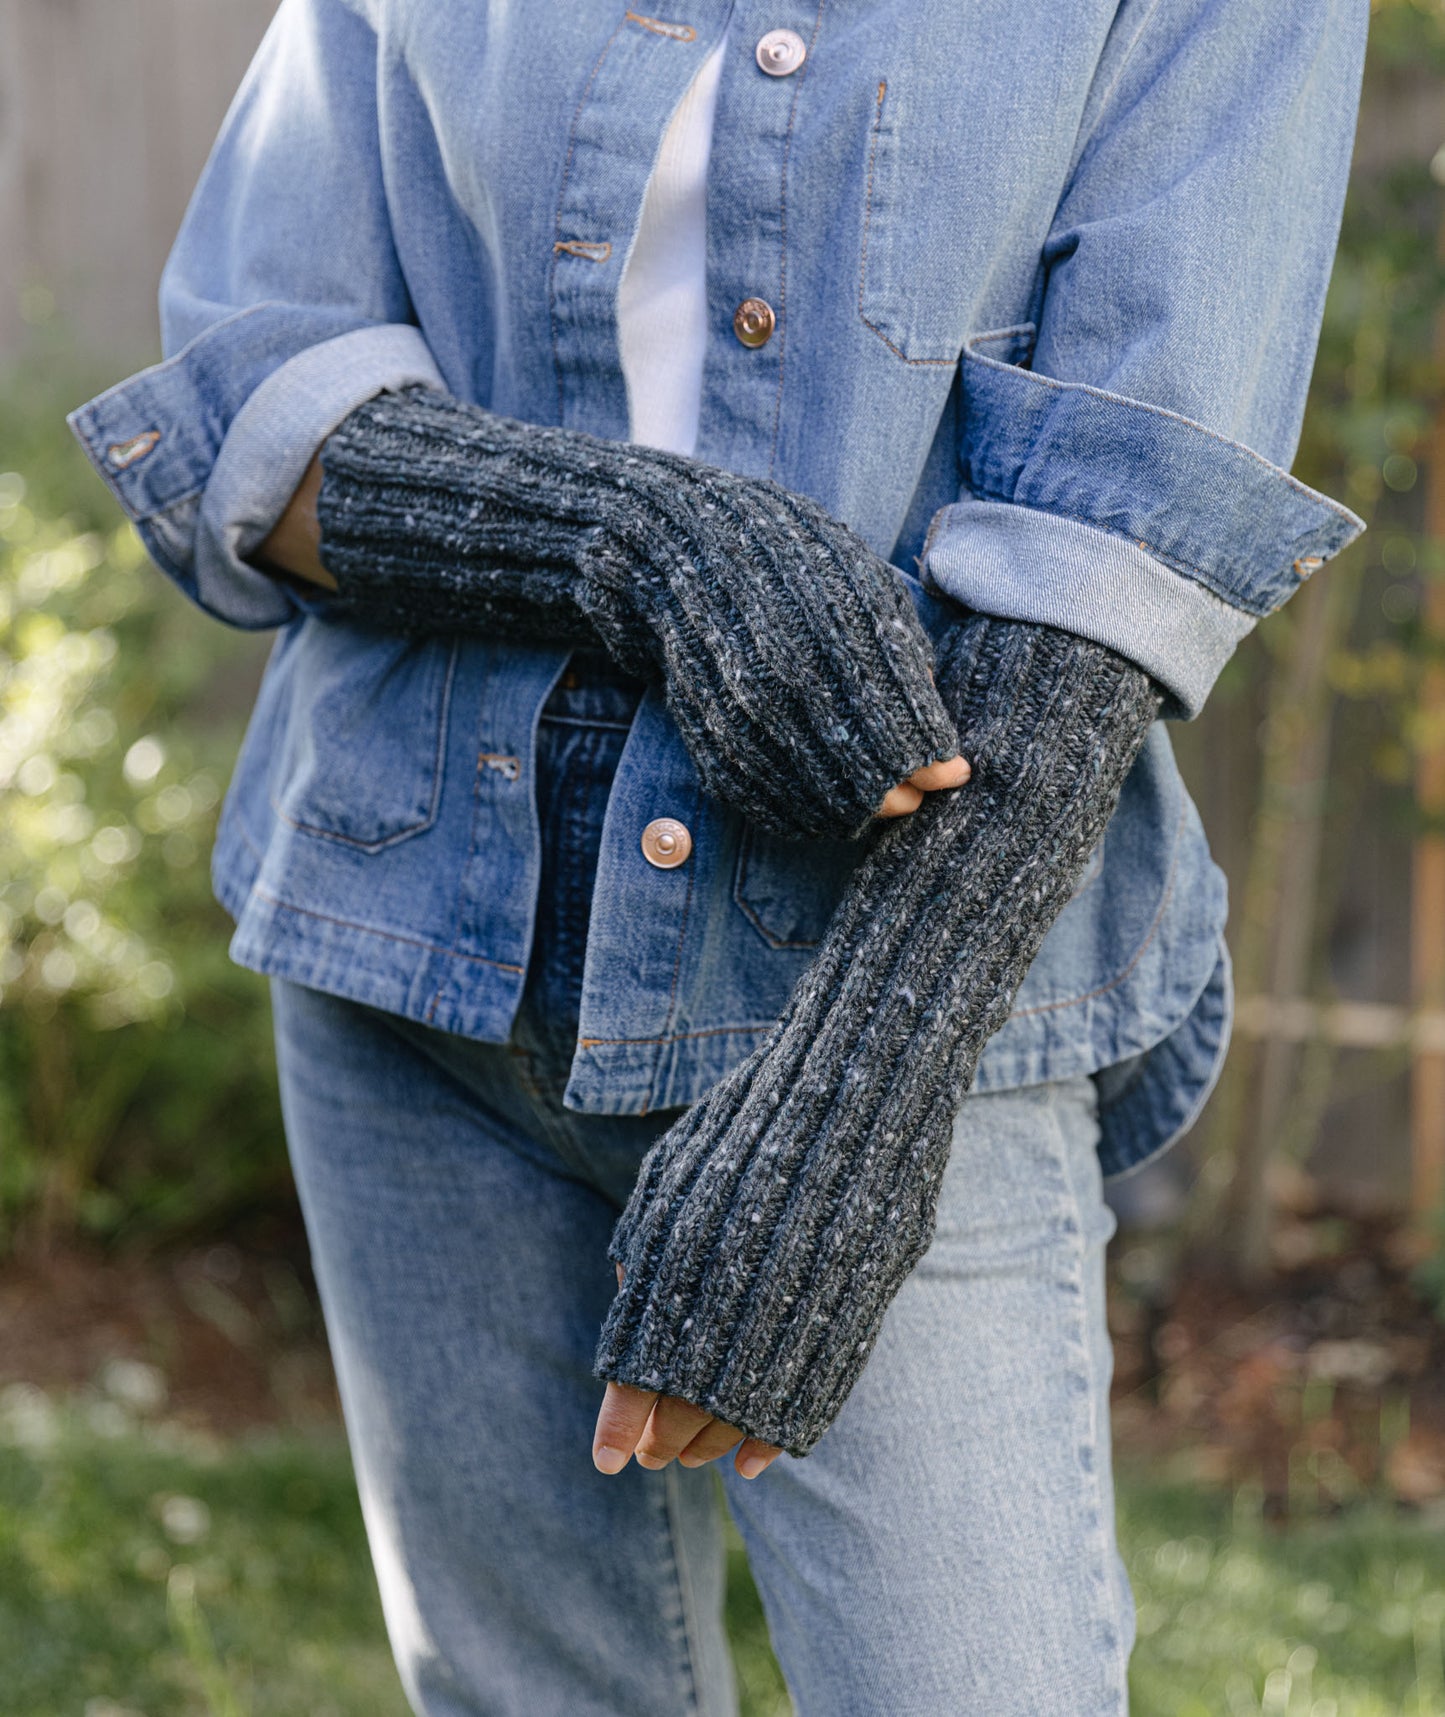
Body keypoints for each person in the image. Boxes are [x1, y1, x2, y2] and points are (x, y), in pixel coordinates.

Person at [69, 3, 1368, 1712]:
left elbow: (1122, 529)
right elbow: (256, 391)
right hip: (412, 939)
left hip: (884, 987)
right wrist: (640, 538)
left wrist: (853, 1093)